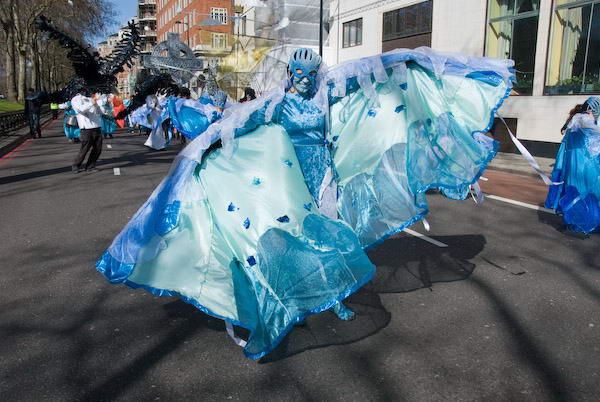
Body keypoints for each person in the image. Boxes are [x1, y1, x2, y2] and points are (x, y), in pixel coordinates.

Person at [96, 47, 514, 359]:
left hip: (326, 175)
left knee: (328, 234)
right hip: (286, 180)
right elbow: (240, 122)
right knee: (289, 238)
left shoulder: (325, 95)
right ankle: (287, 297)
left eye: (309, 72)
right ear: (290, 73)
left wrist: (408, 64)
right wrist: (207, 135)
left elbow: (369, 78)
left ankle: (335, 296)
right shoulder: (275, 103)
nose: (302, 78)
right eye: (297, 72)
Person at [545, 97, 600, 234]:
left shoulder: (587, 119)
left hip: (590, 164)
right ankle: (576, 220)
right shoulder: (579, 118)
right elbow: (588, 127)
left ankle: (591, 219)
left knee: (591, 191)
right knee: (578, 190)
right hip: (578, 164)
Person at [71, 91, 103, 173]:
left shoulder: (90, 98)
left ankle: (90, 166)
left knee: (98, 148)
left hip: (96, 126)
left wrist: (97, 104)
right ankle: (76, 165)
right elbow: (81, 109)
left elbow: (97, 111)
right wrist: (93, 102)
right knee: (85, 148)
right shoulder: (75, 99)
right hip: (86, 127)